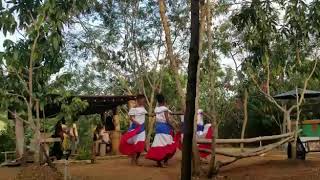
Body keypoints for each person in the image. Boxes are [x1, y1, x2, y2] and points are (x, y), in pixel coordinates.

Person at [146, 94, 177, 167]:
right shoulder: (165, 109)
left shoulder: (156, 109)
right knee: (167, 145)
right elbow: (167, 120)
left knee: (159, 144)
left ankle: (159, 162)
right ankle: (163, 161)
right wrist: (174, 127)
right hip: (165, 128)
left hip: (158, 127)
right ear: (164, 100)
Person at [119, 94, 147, 165]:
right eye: (142, 100)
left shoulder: (143, 108)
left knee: (141, 145)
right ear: (138, 100)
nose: (143, 102)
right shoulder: (133, 109)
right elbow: (131, 118)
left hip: (142, 129)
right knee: (136, 145)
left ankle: (136, 159)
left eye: (144, 100)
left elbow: (144, 115)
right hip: (136, 128)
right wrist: (137, 123)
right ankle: (133, 159)